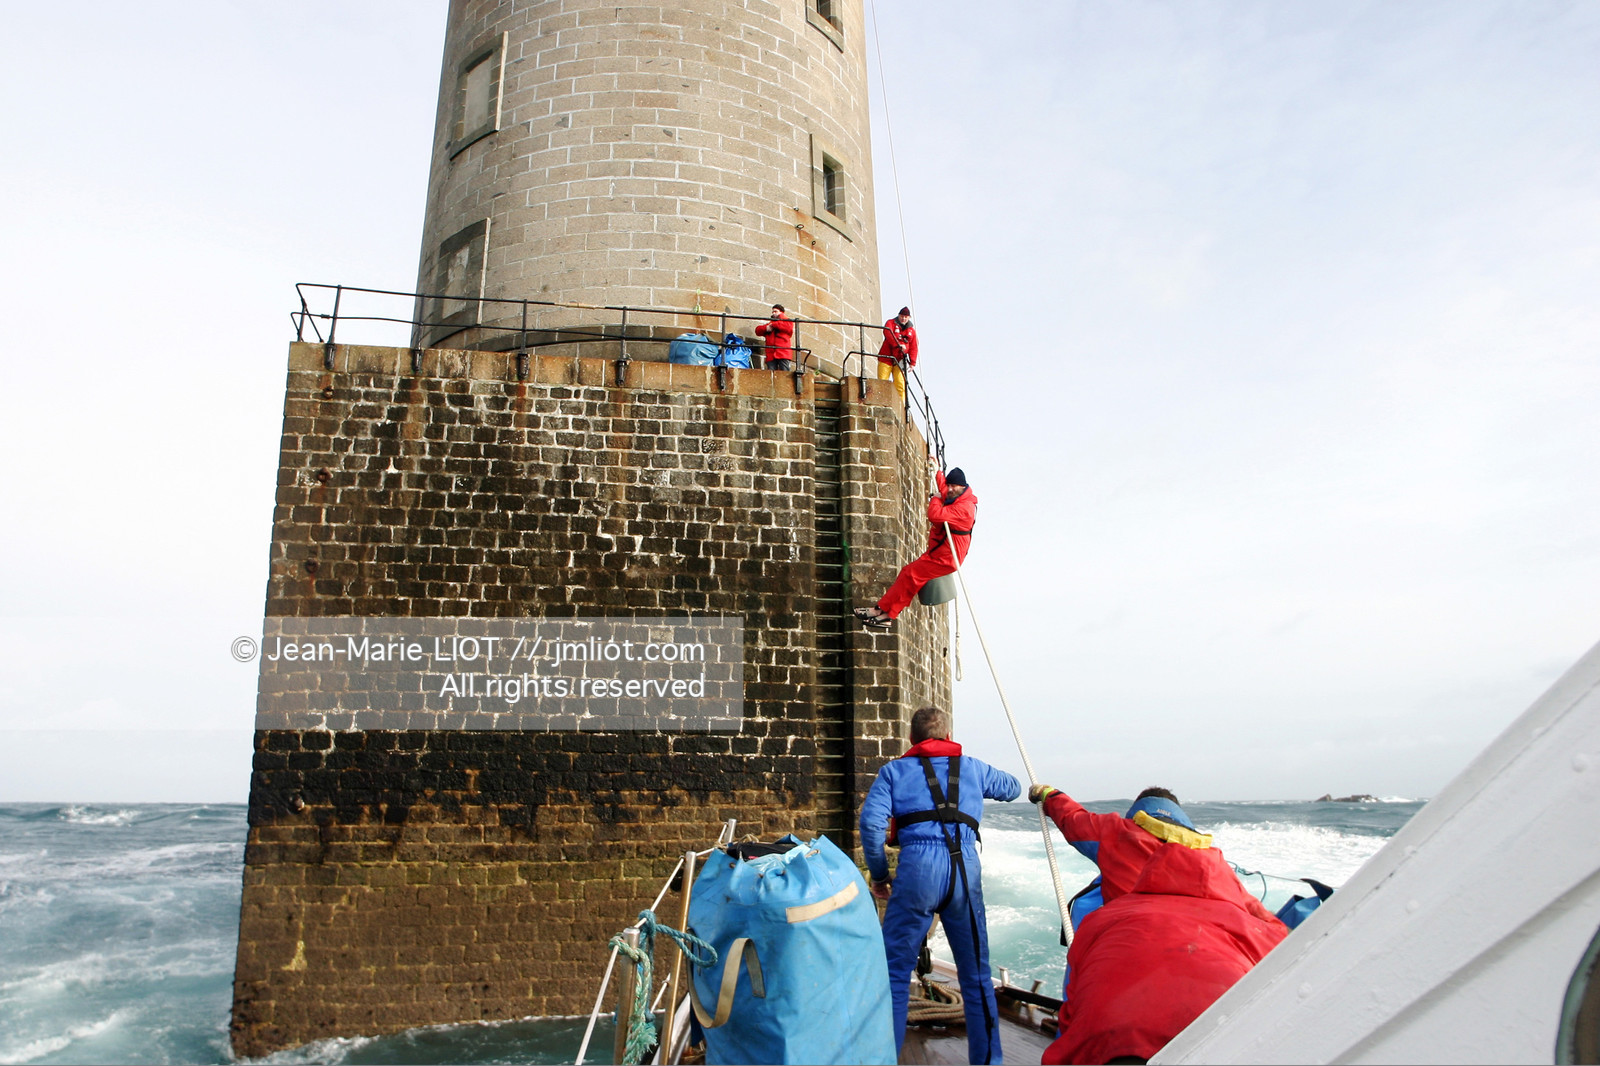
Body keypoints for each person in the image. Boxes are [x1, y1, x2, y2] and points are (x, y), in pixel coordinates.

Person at [1028, 784, 1289, 1065]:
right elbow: (1271, 929)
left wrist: (1048, 795)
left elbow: (1072, 818)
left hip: (1120, 960)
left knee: (1080, 1007)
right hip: (1216, 1017)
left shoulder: (1115, 832)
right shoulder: (1214, 860)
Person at [859, 706, 1020, 1064]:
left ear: (912, 740)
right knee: (976, 976)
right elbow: (1012, 787)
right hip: (965, 870)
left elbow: (871, 826)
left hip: (918, 870)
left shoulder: (894, 772)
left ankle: (884, 1059)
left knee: (895, 973)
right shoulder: (975, 768)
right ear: (948, 737)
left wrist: (880, 875)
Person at [853, 463, 973, 630]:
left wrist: (936, 499)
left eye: (954, 486)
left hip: (946, 558)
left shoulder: (964, 508)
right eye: (950, 485)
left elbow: (934, 514)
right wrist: (937, 469)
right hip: (939, 554)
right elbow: (945, 488)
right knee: (910, 577)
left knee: (910, 575)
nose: (950, 489)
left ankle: (883, 613)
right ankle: (885, 612)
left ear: (962, 486)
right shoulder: (959, 496)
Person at [876, 306, 918, 400]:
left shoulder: (912, 332)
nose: (903, 318)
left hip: (900, 360)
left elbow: (914, 347)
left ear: (909, 318)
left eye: (905, 317)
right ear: (899, 315)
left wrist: (912, 363)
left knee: (900, 384)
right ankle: (882, 400)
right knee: (883, 380)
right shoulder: (890, 323)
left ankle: (901, 406)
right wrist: (898, 344)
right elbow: (888, 333)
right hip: (886, 357)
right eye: (902, 316)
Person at [754, 303, 796, 370]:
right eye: (773, 312)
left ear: (781, 313)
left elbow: (787, 327)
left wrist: (779, 319)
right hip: (771, 353)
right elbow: (758, 331)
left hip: (783, 353)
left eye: (776, 311)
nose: (773, 313)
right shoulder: (770, 324)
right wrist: (766, 328)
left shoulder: (786, 321)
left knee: (785, 371)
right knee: (772, 373)